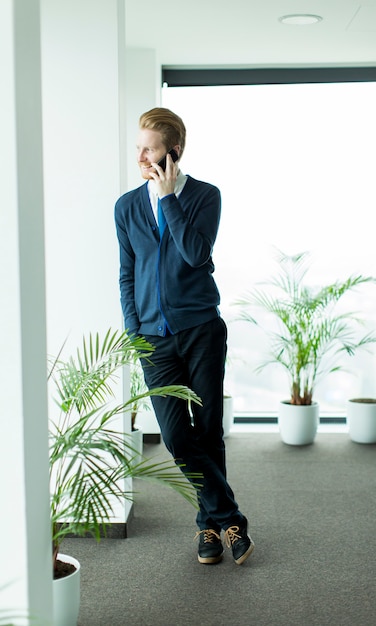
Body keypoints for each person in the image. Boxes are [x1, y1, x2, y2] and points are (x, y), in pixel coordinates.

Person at [114, 107, 254, 565]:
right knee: (177, 436)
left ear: (172, 152)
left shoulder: (204, 197)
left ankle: (208, 530)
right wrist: (135, 331)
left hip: (200, 332)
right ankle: (230, 517)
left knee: (208, 431)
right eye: (138, 147)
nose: (139, 155)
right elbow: (127, 275)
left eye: (148, 148)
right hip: (154, 341)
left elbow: (196, 255)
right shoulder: (126, 207)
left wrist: (168, 196)